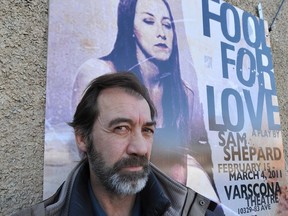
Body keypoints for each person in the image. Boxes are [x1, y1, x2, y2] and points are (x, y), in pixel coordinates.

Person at [14, 72, 220, 215]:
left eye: (147, 130)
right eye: (121, 128)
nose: (140, 148)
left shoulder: (194, 211)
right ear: (83, 138)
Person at [72, 0, 218, 200]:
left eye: (167, 25)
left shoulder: (182, 91)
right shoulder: (98, 73)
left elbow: (181, 157)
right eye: (149, 21)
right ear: (130, 27)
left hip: (166, 193)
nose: (161, 32)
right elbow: (86, 157)